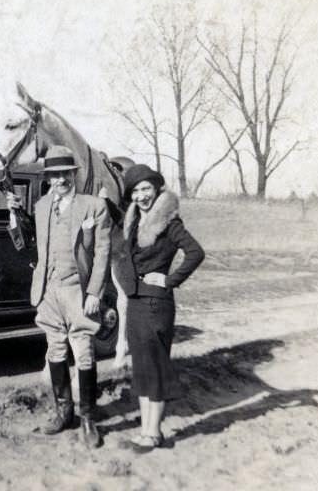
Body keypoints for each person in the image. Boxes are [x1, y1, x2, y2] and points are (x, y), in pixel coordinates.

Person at [7, 144, 112, 449]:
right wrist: (15, 213)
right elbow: (28, 243)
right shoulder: (41, 207)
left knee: (84, 351)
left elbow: (103, 254)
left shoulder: (94, 207)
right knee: (55, 350)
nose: (59, 180)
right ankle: (63, 413)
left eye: (65, 174)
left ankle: (88, 418)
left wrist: (94, 292)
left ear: (73, 175)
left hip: (78, 291)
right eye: (53, 175)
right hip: (48, 290)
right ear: (48, 178)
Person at [115, 164, 204, 453]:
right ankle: (145, 431)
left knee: (155, 368)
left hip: (156, 304)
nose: (142, 196)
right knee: (141, 369)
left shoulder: (169, 222)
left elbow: (195, 252)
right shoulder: (133, 222)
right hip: (137, 302)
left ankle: (153, 434)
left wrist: (170, 280)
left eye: (146, 189)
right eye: (136, 191)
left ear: (156, 189)